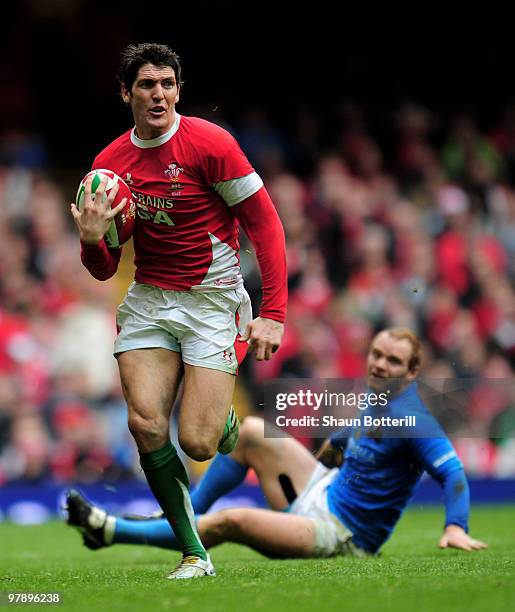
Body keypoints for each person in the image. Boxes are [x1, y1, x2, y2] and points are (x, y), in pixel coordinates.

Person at [70, 43, 287, 579]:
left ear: (179, 90)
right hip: (150, 297)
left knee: (197, 439)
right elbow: (103, 268)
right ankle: (195, 553)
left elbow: (265, 224)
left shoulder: (211, 144)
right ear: (127, 93)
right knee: (145, 423)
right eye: (147, 85)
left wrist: (274, 312)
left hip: (213, 298)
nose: (159, 94)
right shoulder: (109, 165)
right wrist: (92, 241)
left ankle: (227, 424)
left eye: (168, 83)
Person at [66, 328, 487, 562]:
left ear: (412, 372)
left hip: (343, 534)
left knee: (234, 522)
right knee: (249, 431)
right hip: (323, 491)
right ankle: (190, 505)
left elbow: (451, 472)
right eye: (377, 354)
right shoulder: (376, 397)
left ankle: (110, 530)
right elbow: (349, 441)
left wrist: (456, 527)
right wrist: (326, 458)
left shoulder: (414, 421)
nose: (380, 364)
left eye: (393, 362)